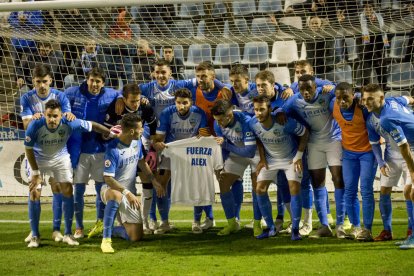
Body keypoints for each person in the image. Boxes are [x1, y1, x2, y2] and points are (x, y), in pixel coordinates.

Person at [24, 99, 110, 248]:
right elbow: (28, 149)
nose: (52, 119)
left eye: (55, 116)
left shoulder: (70, 122)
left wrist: (109, 132)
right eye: (49, 115)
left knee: (68, 191)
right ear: (44, 114)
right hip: (38, 158)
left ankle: (68, 234)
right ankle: (35, 236)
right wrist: (36, 173)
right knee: (34, 192)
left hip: (60, 157)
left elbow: (93, 125)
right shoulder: (35, 124)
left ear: (61, 115)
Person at [282, 74, 344, 238]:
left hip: (334, 140)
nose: (305, 92)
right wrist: (279, 113)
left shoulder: (326, 94)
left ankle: (340, 224)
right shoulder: (295, 100)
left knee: (338, 180)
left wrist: (333, 86)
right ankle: (324, 225)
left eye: (309, 88)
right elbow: (282, 110)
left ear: (315, 87)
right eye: (302, 89)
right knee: (317, 183)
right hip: (314, 144)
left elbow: (346, 92)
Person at [65, 67, 122, 239]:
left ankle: (99, 222)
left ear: (103, 83)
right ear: (87, 80)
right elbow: (61, 101)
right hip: (80, 150)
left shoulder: (111, 94)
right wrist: (66, 110)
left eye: (98, 81)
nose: (94, 84)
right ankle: (79, 227)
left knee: (101, 189)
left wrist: (120, 98)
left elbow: (122, 94)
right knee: (78, 191)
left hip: (101, 150)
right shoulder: (72, 92)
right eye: (92, 80)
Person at [20, 63, 75, 244]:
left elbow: (66, 120)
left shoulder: (60, 96)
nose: (42, 85)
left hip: (58, 151)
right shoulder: (27, 98)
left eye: (45, 81)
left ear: (51, 80)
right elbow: (27, 127)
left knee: (58, 187)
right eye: (38, 82)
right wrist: (35, 121)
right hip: (36, 153)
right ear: (33, 82)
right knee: (35, 191)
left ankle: (56, 230)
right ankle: (34, 233)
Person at [100, 113, 164, 253]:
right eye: (140, 128)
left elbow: (142, 162)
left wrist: (154, 181)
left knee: (135, 236)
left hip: (129, 193)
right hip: (111, 189)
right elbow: (108, 179)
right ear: (131, 131)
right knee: (116, 195)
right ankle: (106, 240)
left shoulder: (137, 142)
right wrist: (127, 193)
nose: (142, 130)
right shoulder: (113, 149)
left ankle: (111, 227)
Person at [361, 84, 414, 249]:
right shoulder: (374, 116)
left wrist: (412, 170)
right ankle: (387, 231)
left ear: (381, 98)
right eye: (364, 99)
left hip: (410, 150)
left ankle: (412, 234)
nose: (366, 102)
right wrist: (381, 162)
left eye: (370, 99)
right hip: (391, 154)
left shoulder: (387, 118)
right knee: (384, 190)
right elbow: (409, 99)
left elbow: (404, 146)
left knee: (410, 191)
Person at [250, 95, 309, 240]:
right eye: (256, 110)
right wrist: (262, 159)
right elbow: (258, 138)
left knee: (294, 188)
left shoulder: (284, 122)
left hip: (290, 159)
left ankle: (295, 230)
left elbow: (305, 133)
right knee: (259, 189)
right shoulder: (253, 123)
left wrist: (299, 156)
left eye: (262, 109)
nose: (259, 113)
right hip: (271, 160)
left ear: (270, 109)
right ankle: (271, 228)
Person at [152, 88, 211, 234]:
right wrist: (158, 144)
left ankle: (196, 221)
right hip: (171, 151)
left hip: (192, 152)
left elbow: (204, 136)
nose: (181, 106)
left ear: (191, 102)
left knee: (197, 184)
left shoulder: (199, 113)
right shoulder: (167, 113)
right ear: (175, 102)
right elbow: (159, 139)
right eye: (179, 103)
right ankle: (164, 222)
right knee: (161, 182)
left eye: (185, 103)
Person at [104, 83, 157, 235]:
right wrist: (110, 133)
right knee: (110, 183)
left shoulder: (145, 107)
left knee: (147, 181)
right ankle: (104, 221)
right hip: (117, 150)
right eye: (132, 101)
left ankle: (145, 219)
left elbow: (153, 130)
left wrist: (152, 149)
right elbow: (103, 132)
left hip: (137, 147)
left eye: (138, 100)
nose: (136, 104)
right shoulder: (116, 107)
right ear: (124, 99)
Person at [332, 82, 377, 240]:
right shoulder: (334, 105)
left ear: (353, 96)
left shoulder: (363, 109)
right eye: (339, 98)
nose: (342, 101)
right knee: (349, 191)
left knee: (366, 190)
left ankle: (368, 229)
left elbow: (376, 129)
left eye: (346, 97)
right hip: (349, 154)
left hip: (368, 153)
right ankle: (356, 228)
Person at [211, 99, 258, 236]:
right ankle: (232, 224)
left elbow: (249, 151)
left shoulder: (246, 121)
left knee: (257, 186)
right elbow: (222, 145)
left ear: (229, 115)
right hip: (236, 152)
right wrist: (221, 164)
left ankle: (257, 222)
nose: (219, 123)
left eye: (221, 120)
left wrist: (225, 145)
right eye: (216, 120)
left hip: (255, 153)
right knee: (223, 181)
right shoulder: (217, 123)